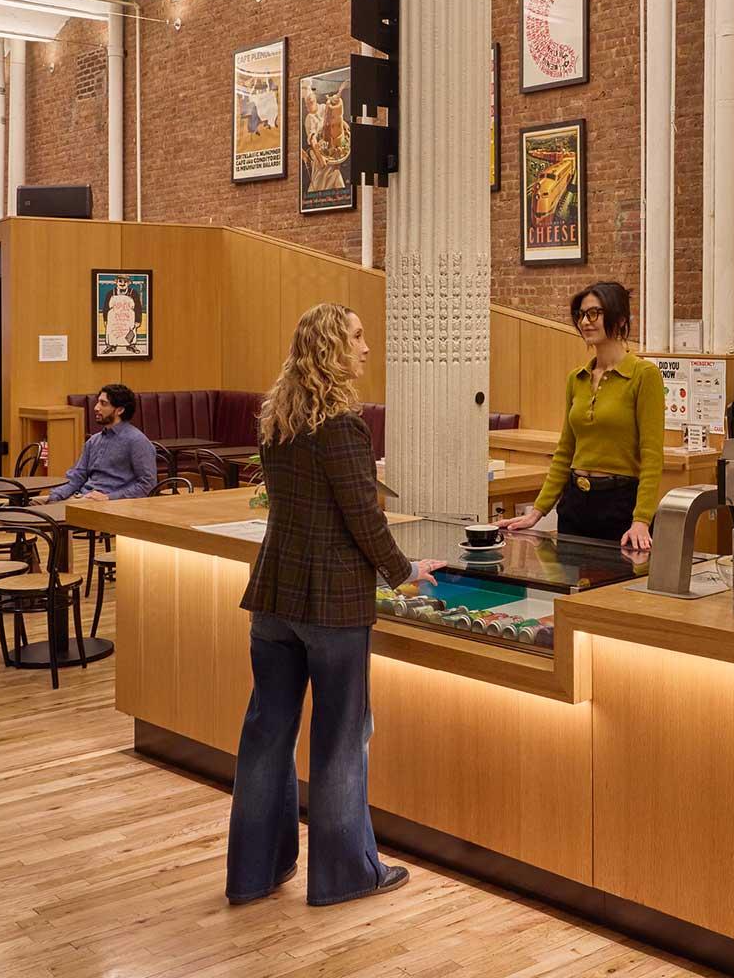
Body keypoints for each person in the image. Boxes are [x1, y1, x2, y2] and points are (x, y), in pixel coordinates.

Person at [227, 303, 446, 908]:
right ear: (330, 348)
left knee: (266, 735)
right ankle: (345, 874)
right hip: (332, 606)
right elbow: (363, 519)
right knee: (341, 738)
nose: (366, 347)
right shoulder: (343, 428)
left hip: (274, 598)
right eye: (356, 337)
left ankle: (253, 872)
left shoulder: (278, 421)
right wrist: (404, 573)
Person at [499, 281, 665, 553]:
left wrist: (641, 520)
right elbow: (565, 451)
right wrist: (537, 512)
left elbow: (652, 456)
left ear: (620, 318)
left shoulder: (644, 375)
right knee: (569, 590)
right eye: (581, 315)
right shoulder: (577, 378)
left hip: (620, 505)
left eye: (594, 313)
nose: (585, 322)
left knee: (613, 593)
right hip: (575, 503)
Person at [49, 384, 156, 503]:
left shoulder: (137, 441)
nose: (96, 407)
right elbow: (77, 475)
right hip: (82, 496)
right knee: (32, 504)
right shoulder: (94, 440)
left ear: (120, 410)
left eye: (103, 404)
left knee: (43, 512)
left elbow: (148, 484)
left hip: (107, 502)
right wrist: (55, 496)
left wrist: (109, 497)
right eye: (97, 402)